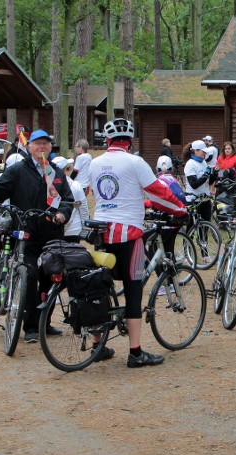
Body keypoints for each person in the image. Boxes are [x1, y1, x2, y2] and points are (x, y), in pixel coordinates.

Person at [89, 118, 188, 367]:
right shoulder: (135, 161)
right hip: (129, 232)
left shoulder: (95, 162)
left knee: (99, 285)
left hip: (101, 230)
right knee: (134, 289)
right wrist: (180, 210)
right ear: (129, 140)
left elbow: (86, 192)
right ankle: (135, 352)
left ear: (108, 140)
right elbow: (157, 191)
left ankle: (96, 343)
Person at [0, 129, 75, 344]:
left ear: (50, 147)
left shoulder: (56, 172)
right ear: (29, 147)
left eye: (46, 144)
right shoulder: (18, 170)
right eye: (38, 144)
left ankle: (44, 322)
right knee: (30, 276)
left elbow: (67, 200)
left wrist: (62, 214)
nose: (42, 147)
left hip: (52, 233)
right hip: (26, 233)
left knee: (52, 278)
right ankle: (30, 327)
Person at [55, 157, 89, 243]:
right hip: (74, 229)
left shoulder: (50, 187)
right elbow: (83, 207)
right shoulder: (76, 185)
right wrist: (85, 226)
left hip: (56, 228)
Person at [183, 140, 213, 222]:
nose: (205, 153)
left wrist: (215, 173)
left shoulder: (204, 163)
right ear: (195, 151)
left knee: (205, 227)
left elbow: (209, 182)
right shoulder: (190, 164)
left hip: (205, 199)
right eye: (203, 151)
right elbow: (194, 184)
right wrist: (205, 175)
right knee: (192, 226)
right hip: (194, 200)